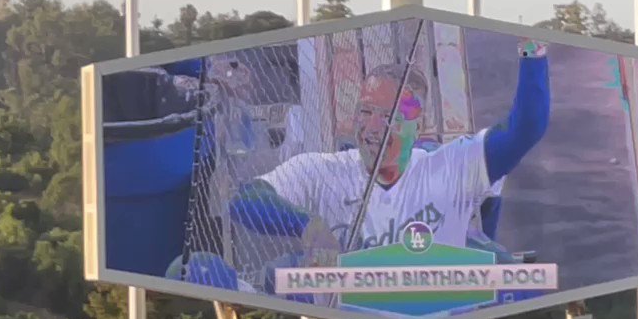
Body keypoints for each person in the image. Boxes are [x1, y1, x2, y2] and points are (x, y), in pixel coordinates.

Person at [231, 38, 551, 265]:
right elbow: (244, 200)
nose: (372, 127)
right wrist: (305, 225)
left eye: (389, 117)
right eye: (366, 111)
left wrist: (533, 49)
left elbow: (526, 127)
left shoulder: (451, 166)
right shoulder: (320, 171)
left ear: (418, 123)